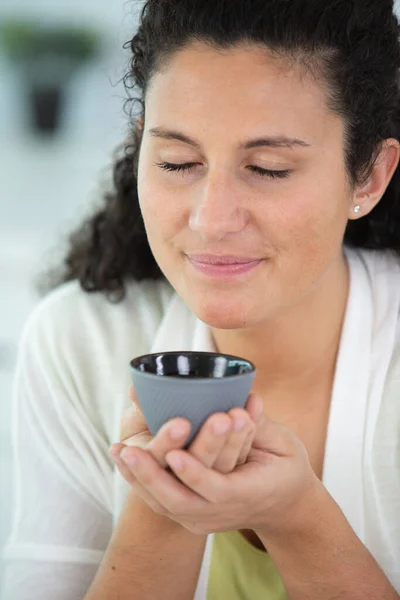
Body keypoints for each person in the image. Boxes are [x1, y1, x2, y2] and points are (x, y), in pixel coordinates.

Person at [2, 0, 400, 598]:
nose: (211, 219)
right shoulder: (75, 342)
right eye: (177, 162)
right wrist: (164, 510)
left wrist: (299, 519)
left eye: (267, 168)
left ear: (368, 174)